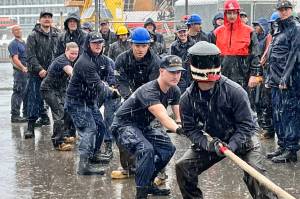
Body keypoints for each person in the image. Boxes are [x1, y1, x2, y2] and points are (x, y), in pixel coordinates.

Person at [176, 41, 278, 199]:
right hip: (215, 142)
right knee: (183, 167)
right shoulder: (187, 99)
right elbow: (190, 129)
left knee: (256, 175)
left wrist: (232, 145)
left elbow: (246, 126)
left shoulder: (234, 92)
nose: (208, 83)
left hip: (244, 139)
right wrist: (208, 144)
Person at [112, 55, 185, 198]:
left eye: (178, 72)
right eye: (172, 72)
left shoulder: (174, 90)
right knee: (146, 150)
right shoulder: (149, 90)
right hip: (124, 125)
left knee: (168, 149)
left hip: (143, 125)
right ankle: (141, 193)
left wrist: (182, 124)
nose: (176, 75)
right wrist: (179, 129)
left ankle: (148, 183)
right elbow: (163, 117)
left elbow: (178, 115)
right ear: (162, 71)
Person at [65, 32, 119, 175]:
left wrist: (113, 84)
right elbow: (98, 86)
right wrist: (113, 92)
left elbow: (110, 75)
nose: (98, 45)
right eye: (95, 43)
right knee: (89, 129)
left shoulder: (102, 60)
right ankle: (83, 166)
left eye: (100, 43)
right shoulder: (84, 62)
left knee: (100, 126)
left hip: (89, 100)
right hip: (76, 101)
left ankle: (94, 155)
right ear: (88, 45)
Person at [112, 27, 161, 178]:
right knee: (122, 131)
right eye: (137, 46)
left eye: (144, 46)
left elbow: (153, 85)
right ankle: (129, 168)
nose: (140, 49)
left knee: (156, 135)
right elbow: (120, 81)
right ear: (131, 44)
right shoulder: (121, 59)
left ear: (149, 45)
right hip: (129, 100)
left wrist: (143, 102)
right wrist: (129, 99)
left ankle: (158, 172)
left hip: (150, 101)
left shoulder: (155, 61)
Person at [211, 0, 262, 115]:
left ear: (238, 13)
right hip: (223, 76)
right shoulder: (217, 32)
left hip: (243, 77)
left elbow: (255, 54)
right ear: (225, 14)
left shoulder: (249, 31)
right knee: (223, 105)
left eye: (234, 13)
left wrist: (255, 75)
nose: (232, 16)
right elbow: (212, 57)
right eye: (229, 13)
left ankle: (246, 130)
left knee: (244, 106)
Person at [265, 0, 300, 163]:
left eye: (286, 9)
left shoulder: (296, 28)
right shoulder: (279, 28)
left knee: (289, 114)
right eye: (281, 9)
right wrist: (270, 78)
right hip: (275, 79)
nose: (283, 12)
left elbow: (294, 55)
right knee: (278, 113)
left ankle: (291, 149)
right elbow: (272, 54)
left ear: (291, 10)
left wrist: (285, 78)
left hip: (289, 81)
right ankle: (283, 145)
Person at [25, 11, 59, 139]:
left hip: (53, 74)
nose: (47, 19)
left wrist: (52, 70)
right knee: (34, 100)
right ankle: (30, 127)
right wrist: (40, 69)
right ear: (39, 20)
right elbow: (30, 56)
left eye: (49, 17)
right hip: (36, 74)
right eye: (44, 17)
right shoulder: (32, 36)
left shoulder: (57, 35)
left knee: (56, 101)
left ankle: (60, 130)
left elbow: (60, 54)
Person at [40, 42, 79, 151]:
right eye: (72, 53)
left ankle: (64, 136)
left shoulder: (70, 60)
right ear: (66, 50)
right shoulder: (62, 60)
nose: (74, 56)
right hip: (48, 89)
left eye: (76, 54)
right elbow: (71, 72)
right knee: (59, 113)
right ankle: (58, 143)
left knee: (67, 110)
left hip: (59, 89)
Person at [8, 25, 28, 123]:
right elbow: (15, 58)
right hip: (20, 72)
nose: (18, 31)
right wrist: (22, 67)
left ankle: (25, 114)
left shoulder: (24, 43)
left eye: (20, 29)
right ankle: (15, 116)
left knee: (26, 93)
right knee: (18, 92)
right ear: (13, 32)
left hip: (27, 72)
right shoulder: (13, 44)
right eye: (16, 30)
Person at [170, 23, 195, 93]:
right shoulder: (174, 46)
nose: (182, 34)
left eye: (184, 31)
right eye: (180, 32)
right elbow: (172, 62)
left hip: (192, 75)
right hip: (180, 76)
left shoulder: (194, 44)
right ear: (177, 33)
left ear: (187, 32)